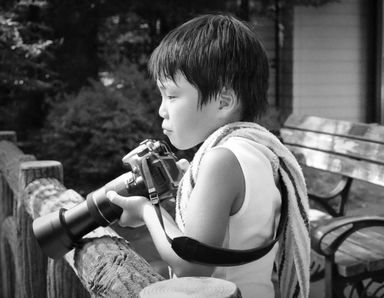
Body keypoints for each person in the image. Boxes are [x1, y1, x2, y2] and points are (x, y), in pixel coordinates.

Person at [106, 14, 310, 298]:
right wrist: (183, 189)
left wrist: (146, 211)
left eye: (172, 96)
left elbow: (192, 264)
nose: (161, 110)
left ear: (224, 102)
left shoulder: (221, 160)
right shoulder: (257, 151)